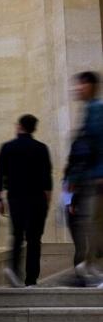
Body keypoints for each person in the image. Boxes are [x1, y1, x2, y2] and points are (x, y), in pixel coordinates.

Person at [0, 114, 53, 287]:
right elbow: (47, 178)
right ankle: (31, 279)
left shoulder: (7, 147)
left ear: (19, 126)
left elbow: (0, 174)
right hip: (37, 198)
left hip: (16, 198)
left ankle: (13, 269)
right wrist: (47, 201)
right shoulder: (41, 148)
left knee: (17, 235)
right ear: (33, 128)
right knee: (34, 239)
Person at [66, 72, 103, 287]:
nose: (77, 88)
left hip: (97, 178)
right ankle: (87, 267)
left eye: (81, 84)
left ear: (90, 85)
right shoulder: (89, 110)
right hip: (90, 178)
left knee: (93, 224)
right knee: (89, 224)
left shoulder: (96, 110)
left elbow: (97, 144)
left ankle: (89, 267)